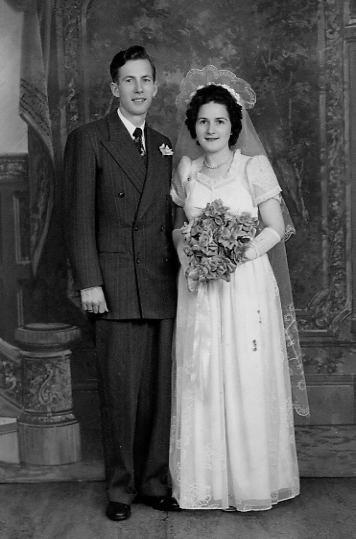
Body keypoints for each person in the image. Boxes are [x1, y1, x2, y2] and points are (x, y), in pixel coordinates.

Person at [169, 66, 309, 511]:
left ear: (234, 126)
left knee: (245, 372)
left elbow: (276, 226)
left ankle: (250, 482)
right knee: (203, 374)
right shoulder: (187, 170)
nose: (210, 129)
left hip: (245, 284)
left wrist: (234, 255)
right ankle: (204, 485)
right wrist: (193, 253)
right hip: (199, 286)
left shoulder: (253, 166)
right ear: (193, 125)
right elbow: (178, 229)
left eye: (220, 121)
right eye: (203, 121)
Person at [64, 45, 180, 521]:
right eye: (128, 81)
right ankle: (119, 489)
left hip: (159, 283)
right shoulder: (89, 138)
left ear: (155, 87)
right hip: (111, 284)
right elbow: (76, 219)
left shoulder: (165, 145)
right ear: (114, 88)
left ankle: (153, 483)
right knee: (119, 392)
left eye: (145, 80)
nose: (138, 89)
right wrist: (90, 281)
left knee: (157, 393)